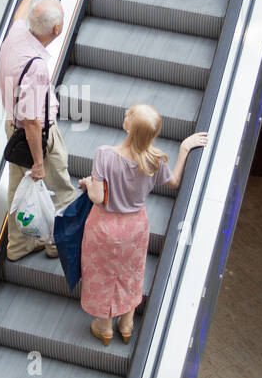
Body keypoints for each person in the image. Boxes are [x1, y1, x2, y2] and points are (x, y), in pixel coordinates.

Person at [78, 105, 207, 345]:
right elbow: (174, 181)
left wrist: (88, 182)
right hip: (135, 227)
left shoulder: (104, 154)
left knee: (101, 273)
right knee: (131, 272)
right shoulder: (155, 160)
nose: (125, 117)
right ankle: (126, 323)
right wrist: (184, 148)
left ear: (129, 127)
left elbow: (96, 197)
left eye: (128, 116)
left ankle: (105, 326)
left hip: (104, 226)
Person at [0, 0, 77, 260]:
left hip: (11, 128)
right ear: (56, 30)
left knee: (18, 190)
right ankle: (55, 244)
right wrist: (40, 162)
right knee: (61, 188)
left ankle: (17, 247)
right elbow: (33, 122)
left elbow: (19, 16)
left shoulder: (17, 33)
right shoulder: (37, 68)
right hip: (37, 136)